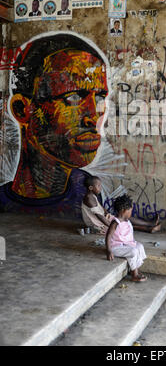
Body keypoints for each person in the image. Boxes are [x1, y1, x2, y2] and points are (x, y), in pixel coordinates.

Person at [0, 32, 109, 218]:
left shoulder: (88, 191)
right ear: (22, 110)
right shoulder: (3, 205)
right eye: (73, 97)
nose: (93, 117)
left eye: (99, 97)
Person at [106, 194, 147, 282]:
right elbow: (108, 235)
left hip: (125, 244)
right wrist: (109, 251)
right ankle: (134, 274)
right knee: (133, 251)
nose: (131, 212)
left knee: (140, 246)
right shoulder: (115, 222)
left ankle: (135, 270)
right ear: (124, 211)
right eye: (130, 210)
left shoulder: (126, 220)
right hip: (116, 247)